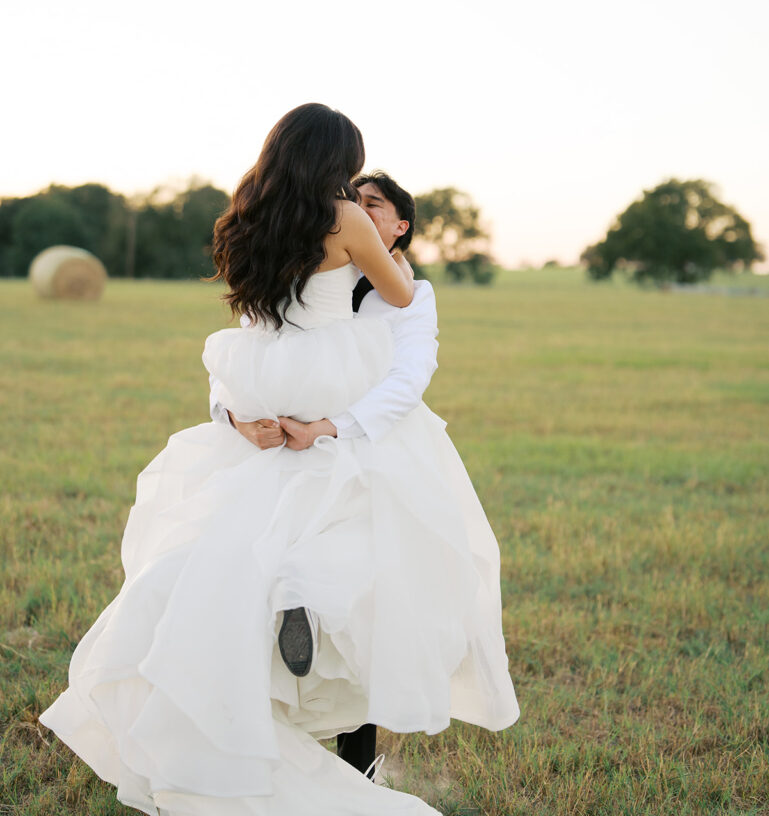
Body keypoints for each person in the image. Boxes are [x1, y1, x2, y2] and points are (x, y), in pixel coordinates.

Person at [39, 104, 518, 816]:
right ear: (338, 161)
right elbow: (398, 294)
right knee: (370, 556)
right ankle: (304, 606)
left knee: (241, 543)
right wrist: (382, 252)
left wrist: (239, 412)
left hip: (266, 381)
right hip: (333, 386)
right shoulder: (343, 219)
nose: (357, 190)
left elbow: (250, 329)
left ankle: (283, 620)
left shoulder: (247, 219)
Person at [210, 170, 440, 778]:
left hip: (364, 456)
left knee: (364, 613)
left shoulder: (413, 294)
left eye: (371, 205)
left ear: (397, 226)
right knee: (257, 593)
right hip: (281, 459)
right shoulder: (299, 261)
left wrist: (333, 427)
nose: (354, 212)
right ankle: (273, 750)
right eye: (348, 202)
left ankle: (355, 767)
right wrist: (232, 417)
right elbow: (246, 352)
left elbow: (409, 379)